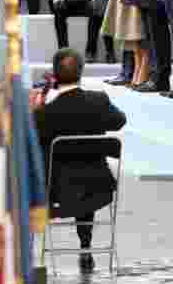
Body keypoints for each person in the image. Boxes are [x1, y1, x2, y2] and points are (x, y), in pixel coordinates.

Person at [33, 49, 127, 274]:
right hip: (99, 188)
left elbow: (31, 135)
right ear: (81, 72)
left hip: (57, 192)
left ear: (55, 74)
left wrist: (42, 98)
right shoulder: (99, 101)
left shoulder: (46, 112)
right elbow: (120, 121)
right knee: (84, 180)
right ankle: (85, 245)